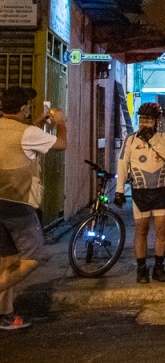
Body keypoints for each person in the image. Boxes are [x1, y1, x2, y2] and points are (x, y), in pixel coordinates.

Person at [0, 86, 67, 331]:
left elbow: (23, 142)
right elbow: (61, 144)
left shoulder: (13, 129)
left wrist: (38, 122)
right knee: (33, 256)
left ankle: (5, 315)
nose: (29, 108)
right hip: (17, 204)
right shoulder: (26, 132)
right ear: (23, 108)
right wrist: (60, 122)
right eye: (28, 105)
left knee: (8, 262)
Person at [115, 102, 165, 284]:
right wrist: (119, 191)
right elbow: (123, 163)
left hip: (160, 190)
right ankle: (141, 269)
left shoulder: (163, 138)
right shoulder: (131, 140)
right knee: (141, 229)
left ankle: (158, 268)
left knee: (161, 229)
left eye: (148, 119)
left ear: (156, 121)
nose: (144, 123)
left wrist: (152, 139)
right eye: (142, 119)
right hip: (140, 191)